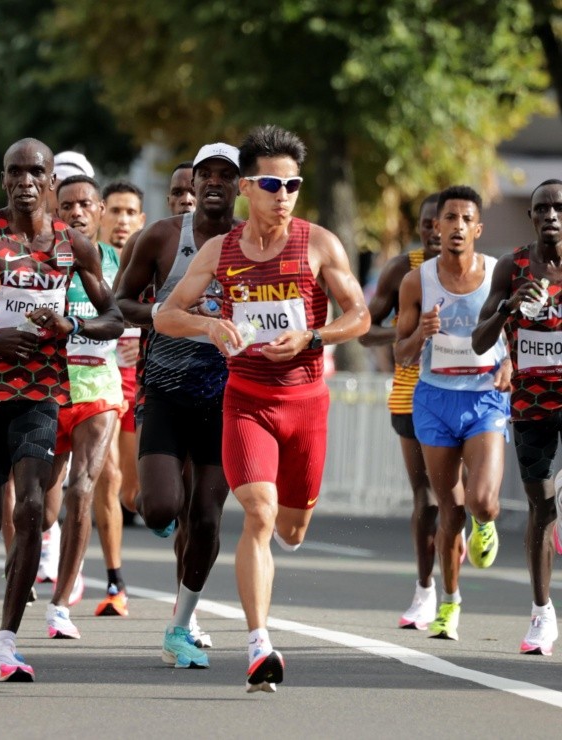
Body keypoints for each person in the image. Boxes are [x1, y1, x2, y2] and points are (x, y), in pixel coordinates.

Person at [154, 126, 370, 692]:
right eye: (272, 183)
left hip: (306, 405)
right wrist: (209, 324)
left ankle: (273, 571)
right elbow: (163, 316)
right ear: (248, 186)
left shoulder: (318, 243)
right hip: (246, 401)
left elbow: (360, 315)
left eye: (294, 184)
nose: (284, 195)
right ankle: (259, 645)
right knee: (259, 513)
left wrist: (314, 338)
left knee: (292, 530)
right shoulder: (219, 251)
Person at [0, 138, 123, 681]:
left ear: (50, 182)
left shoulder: (73, 245)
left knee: (34, 509)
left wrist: (76, 327)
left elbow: (113, 316)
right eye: (14, 172)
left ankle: (4, 642)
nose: (24, 182)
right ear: (3, 178)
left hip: (41, 390)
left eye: (34, 172)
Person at [116, 143, 242, 667]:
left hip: (227, 399)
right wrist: (170, 316)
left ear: (241, 186)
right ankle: (160, 509)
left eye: (224, 176)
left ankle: (181, 623)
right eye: (204, 175)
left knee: (207, 518)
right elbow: (120, 302)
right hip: (165, 388)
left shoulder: (253, 244)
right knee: (165, 507)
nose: (212, 183)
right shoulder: (165, 236)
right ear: (193, 184)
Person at [394, 185, 507, 646]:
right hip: (435, 400)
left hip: (483, 400)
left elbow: (518, 333)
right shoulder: (415, 281)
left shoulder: (499, 274)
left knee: (481, 501)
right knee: (450, 511)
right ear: (435, 228)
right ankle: (449, 604)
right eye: (449, 219)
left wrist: (510, 362)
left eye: (466, 219)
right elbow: (401, 355)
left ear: (478, 229)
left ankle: (487, 521)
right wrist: (421, 332)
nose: (457, 227)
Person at [472, 179, 562, 655]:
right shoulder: (512, 265)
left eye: (559, 208)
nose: (551, 215)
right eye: (542, 208)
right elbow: (479, 342)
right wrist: (509, 304)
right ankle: (542, 614)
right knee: (540, 506)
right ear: (531, 216)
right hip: (531, 403)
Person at [39, 174, 125, 639]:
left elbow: (129, 308)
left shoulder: (115, 260)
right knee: (42, 509)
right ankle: (33, 565)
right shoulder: (40, 255)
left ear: (99, 211)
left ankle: (60, 605)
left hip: (98, 388)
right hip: (49, 389)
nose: (76, 212)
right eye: (67, 204)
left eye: (85, 205)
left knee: (81, 490)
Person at [359, 193, 442, 629]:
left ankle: (472, 525)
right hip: (411, 392)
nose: (434, 231)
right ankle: (425, 590)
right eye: (428, 223)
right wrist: (404, 331)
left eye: (442, 222)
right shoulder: (403, 269)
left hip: (465, 394)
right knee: (426, 498)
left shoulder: (480, 270)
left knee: (458, 501)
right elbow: (364, 331)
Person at [93, 179, 146, 618]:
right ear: (99, 214)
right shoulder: (90, 260)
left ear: (141, 220)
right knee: (106, 475)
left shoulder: (152, 259)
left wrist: (144, 339)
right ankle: (115, 579)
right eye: (115, 211)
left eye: (131, 212)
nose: (122, 220)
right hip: (99, 377)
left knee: (133, 494)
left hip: (140, 379)